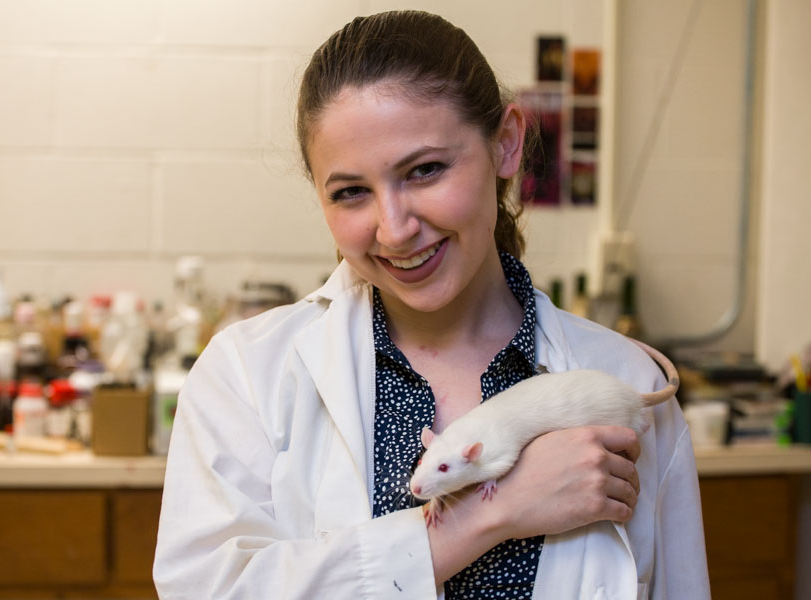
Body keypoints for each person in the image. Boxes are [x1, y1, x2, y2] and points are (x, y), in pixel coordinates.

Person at [153, 10, 710, 599]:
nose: (393, 230)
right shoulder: (245, 375)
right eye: (351, 192)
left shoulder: (625, 384)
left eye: (425, 170)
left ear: (506, 144)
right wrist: (486, 517)